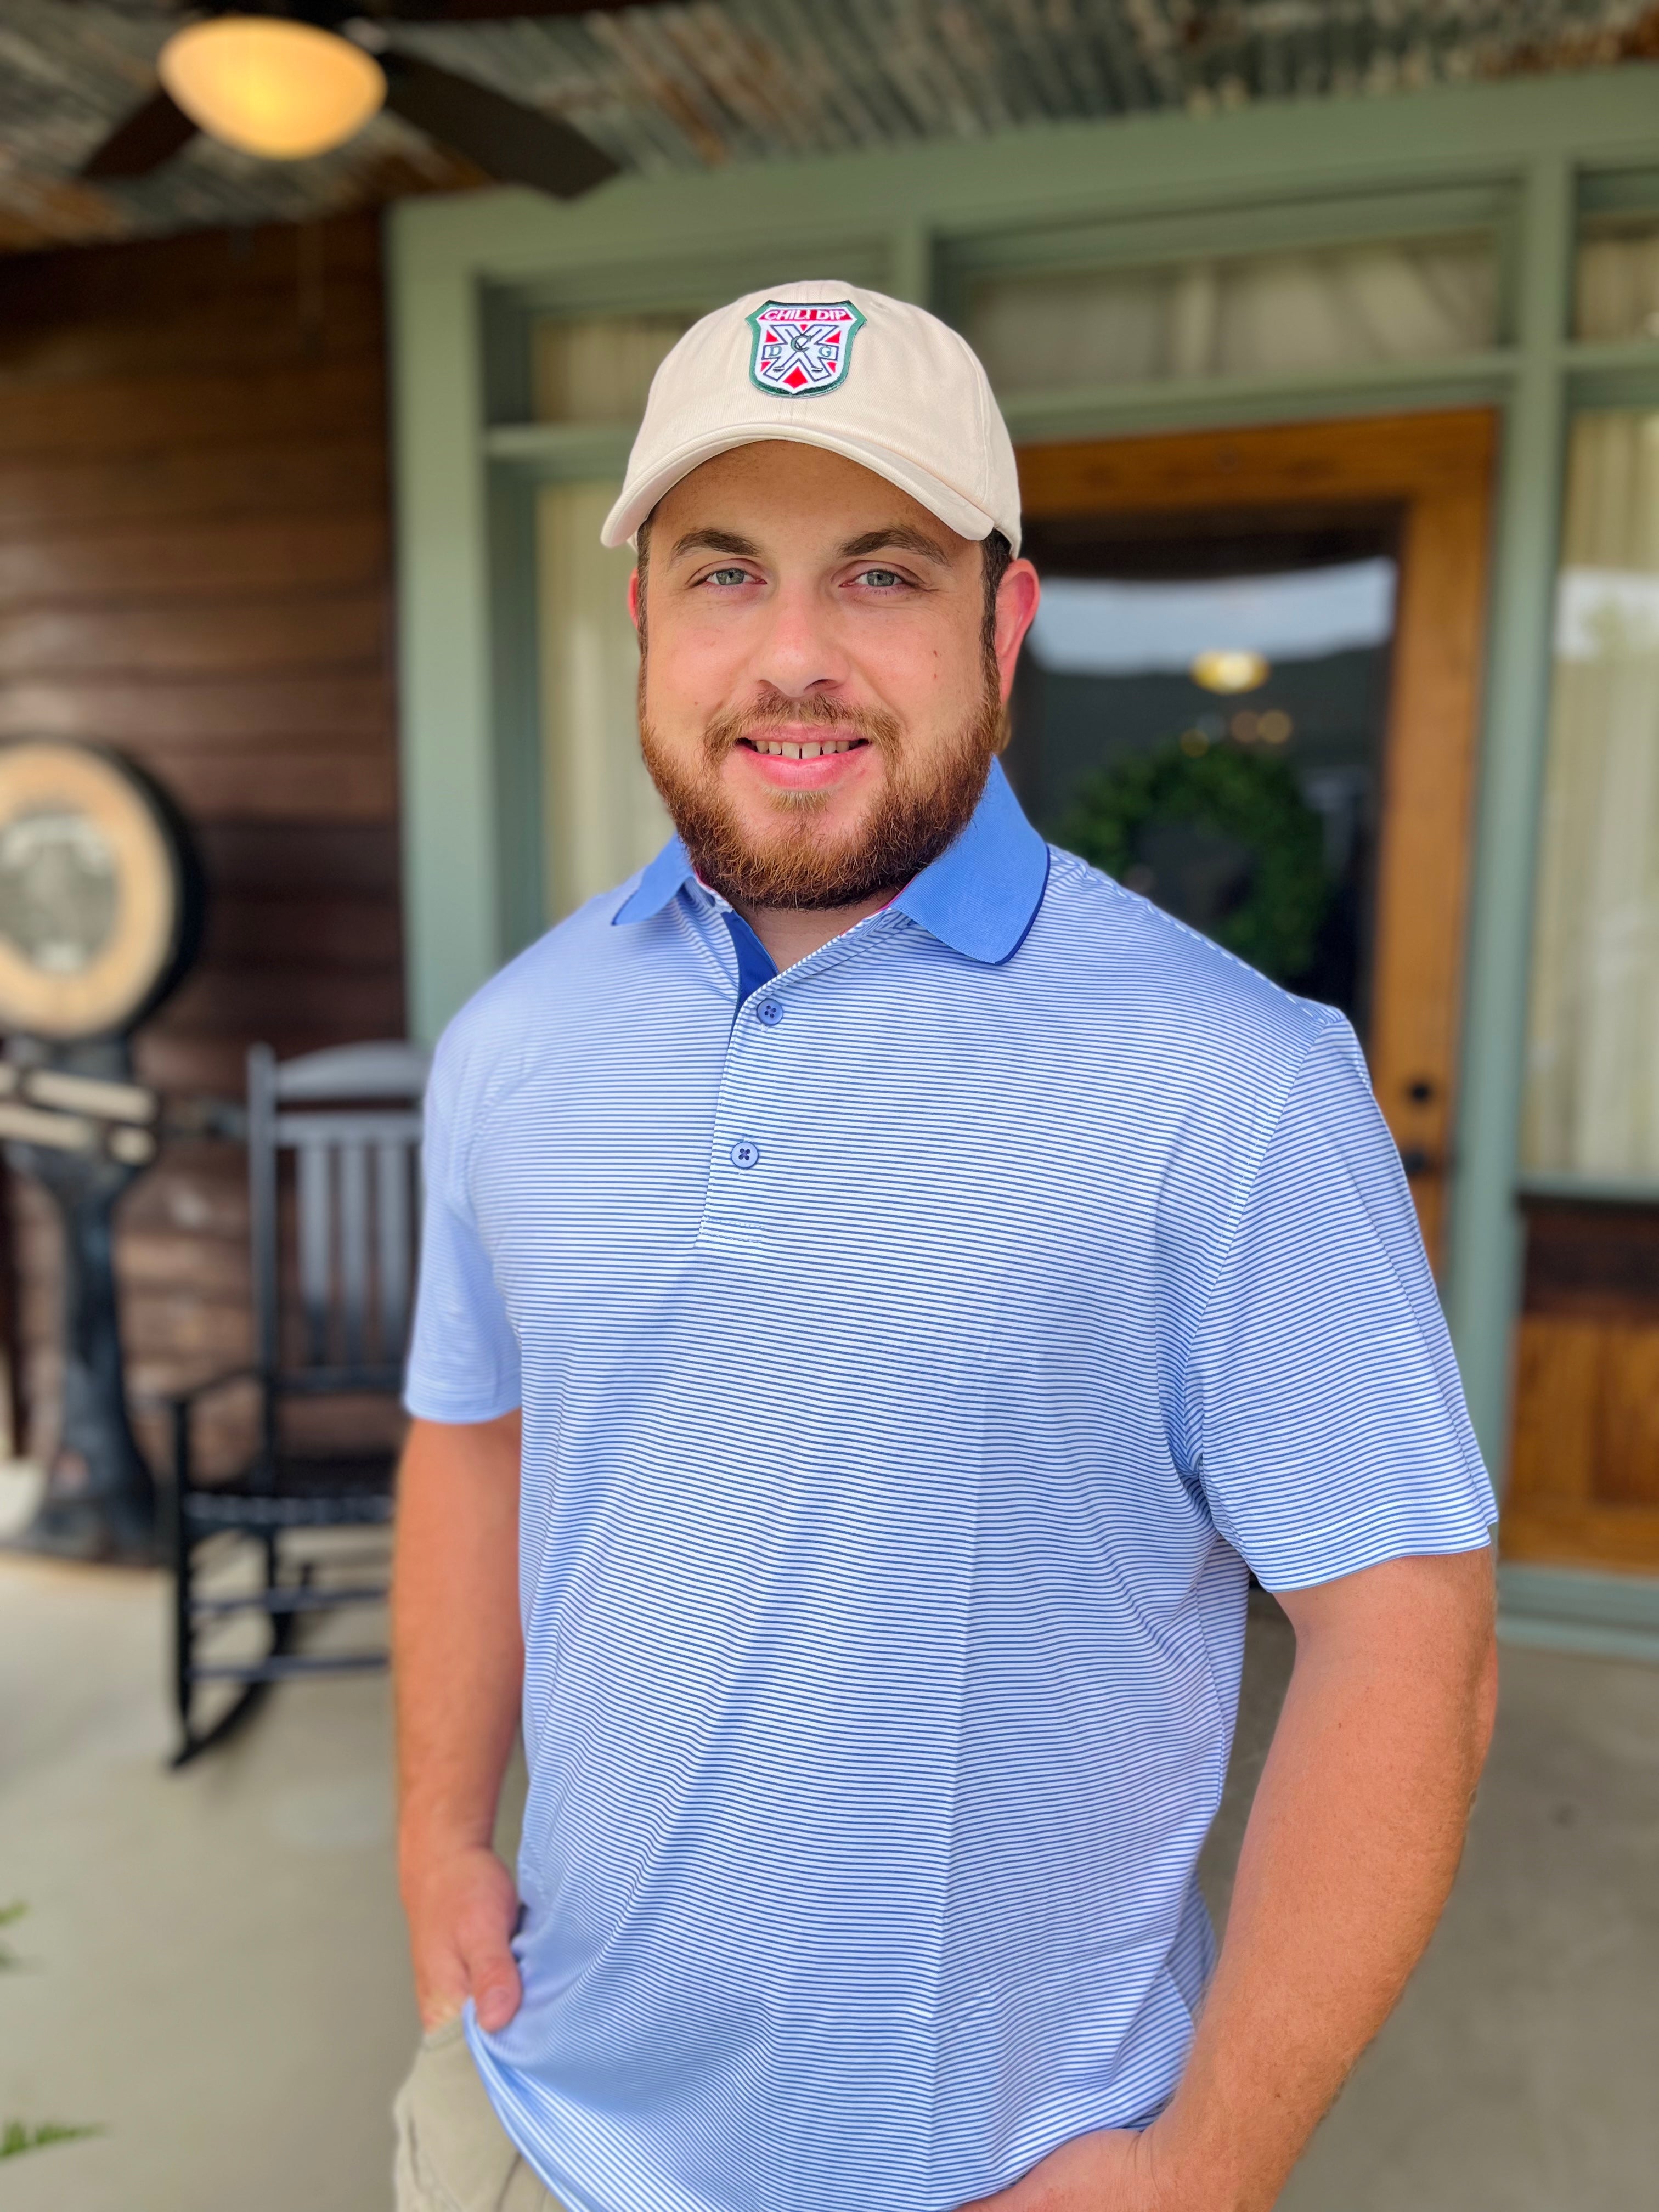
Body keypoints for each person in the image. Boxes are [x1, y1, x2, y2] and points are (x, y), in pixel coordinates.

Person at [392, 280, 1497, 2212]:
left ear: (1007, 621)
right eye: (725, 570)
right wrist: (434, 1832)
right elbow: (473, 1433)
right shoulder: (516, 1043)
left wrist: (1202, 2173)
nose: (795, 656)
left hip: (971, 2170)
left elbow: (1409, 1645)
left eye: (884, 575)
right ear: (643, 617)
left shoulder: (1229, 1078)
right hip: (526, 2117)